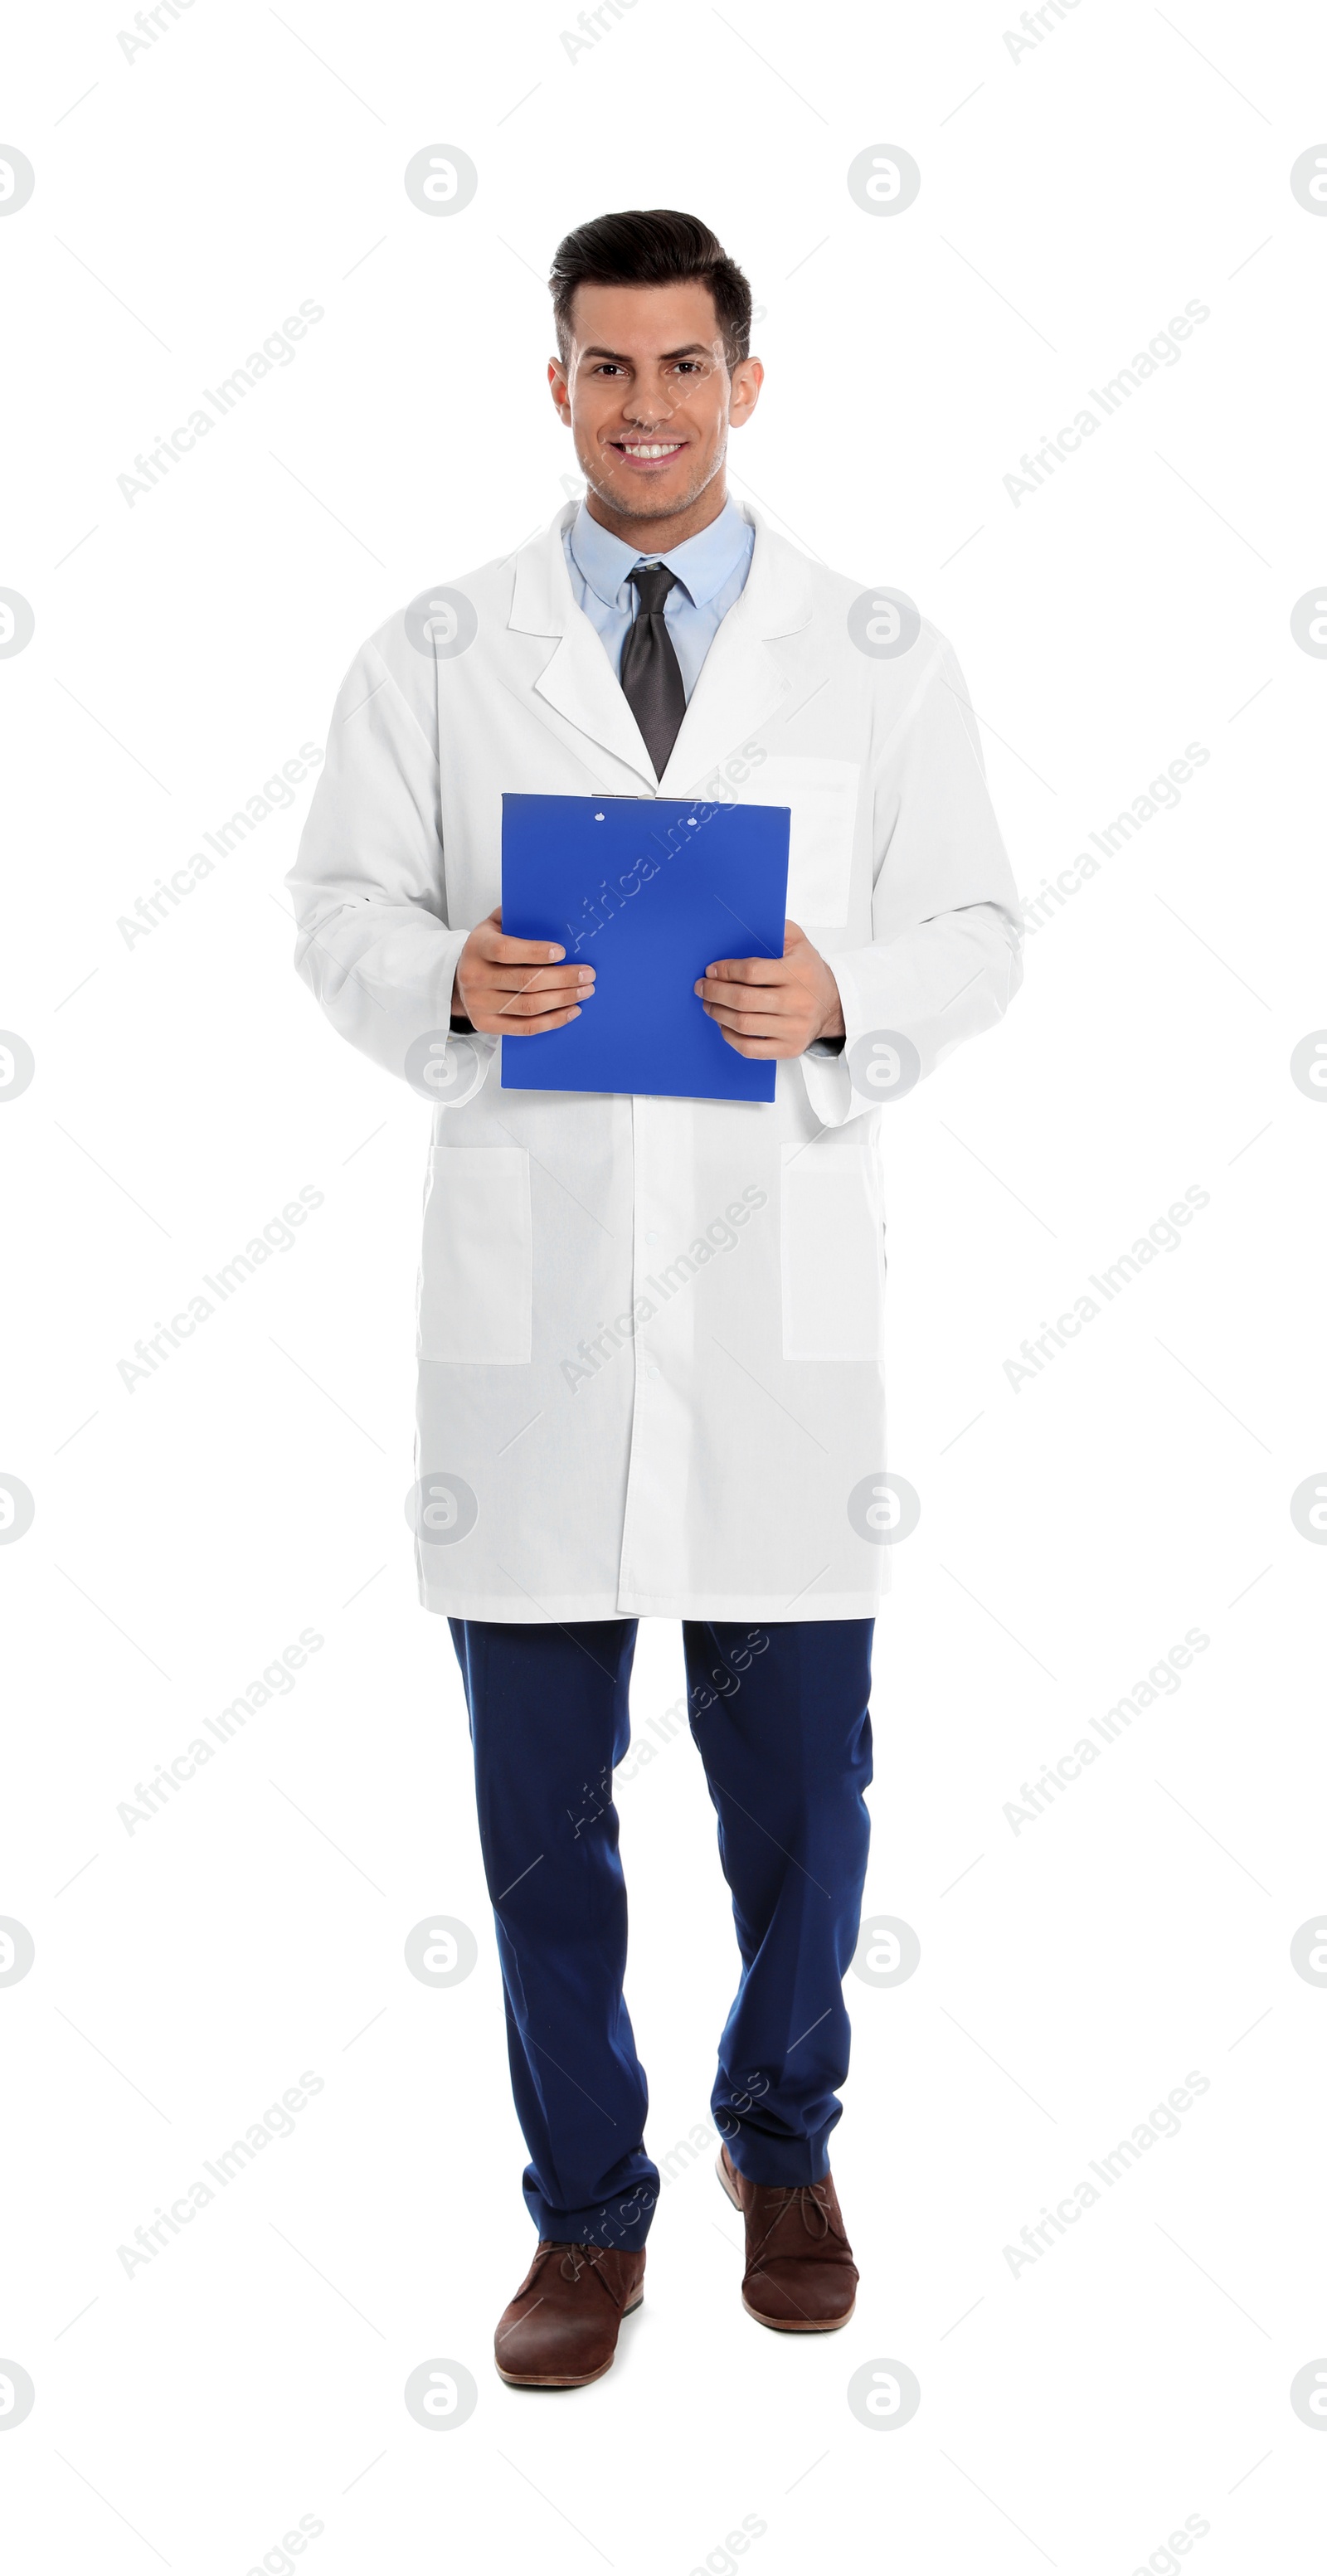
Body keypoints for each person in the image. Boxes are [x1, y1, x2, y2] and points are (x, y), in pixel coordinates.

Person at [288, 207, 1023, 2390]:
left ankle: (779, 2146)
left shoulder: (878, 656)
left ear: (744, 383)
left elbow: (981, 925)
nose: (644, 405)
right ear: (556, 389)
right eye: (604, 367)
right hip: (534, 1324)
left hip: (779, 1315)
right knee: (541, 1819)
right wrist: (441, 974)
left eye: (681, 365)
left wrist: (842, 991)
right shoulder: (437, 650)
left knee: (809, 1794)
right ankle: (584, 2215)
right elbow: (333, 907)